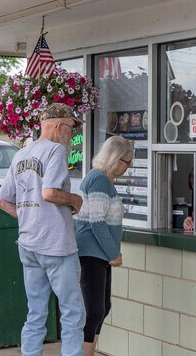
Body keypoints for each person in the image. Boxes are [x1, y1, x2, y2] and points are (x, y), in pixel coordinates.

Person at [0, 103, 86, 356]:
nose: (72, 135)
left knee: (36, 312)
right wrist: (74, 200)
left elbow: (2, 200)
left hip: (28, 244)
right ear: (59, 126)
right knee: (72, 312)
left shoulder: (21, 154)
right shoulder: (56, 150)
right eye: (71, 129)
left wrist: (27, 216)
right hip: (56, 244)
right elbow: (49, 193)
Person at [74, 136, 133, 356]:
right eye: (128, 162)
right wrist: (113, 253)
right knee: (93, 311)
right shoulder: (98, 179)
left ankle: (89, 350)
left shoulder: (103, 180)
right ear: (115, 158)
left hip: (101, 255)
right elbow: (96, 222)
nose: (128, 167)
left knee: (102, 309)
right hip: (92, 254)